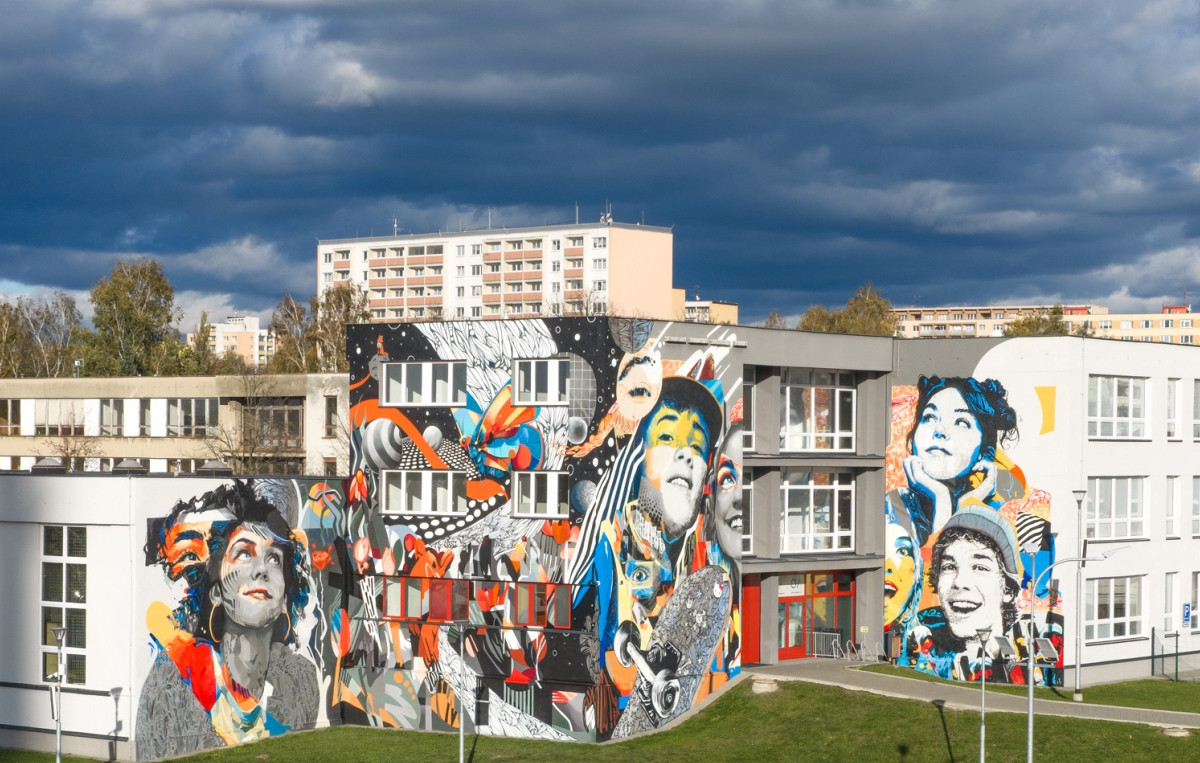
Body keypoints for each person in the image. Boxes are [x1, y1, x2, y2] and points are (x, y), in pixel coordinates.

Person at [136, 482, 319, 758]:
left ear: (285, 594)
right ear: (217, 590)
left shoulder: (300, 680)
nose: (261, 570)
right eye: (244, 553)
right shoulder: (173, 679)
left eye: (274, 559)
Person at [892, 376, 1019, 546]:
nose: (939, 430)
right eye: (929, 417)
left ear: (983, 454)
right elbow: (934, 564)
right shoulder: (891, 509)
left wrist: (965, 505)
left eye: (961, 422)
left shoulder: (1000, 522)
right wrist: (941, 498)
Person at [911, 505, 1021, 682]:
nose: (960, 582)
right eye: (949, 567)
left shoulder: (1026, 651)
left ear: (1008, 589)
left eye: (979, 567)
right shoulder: (920, 646)